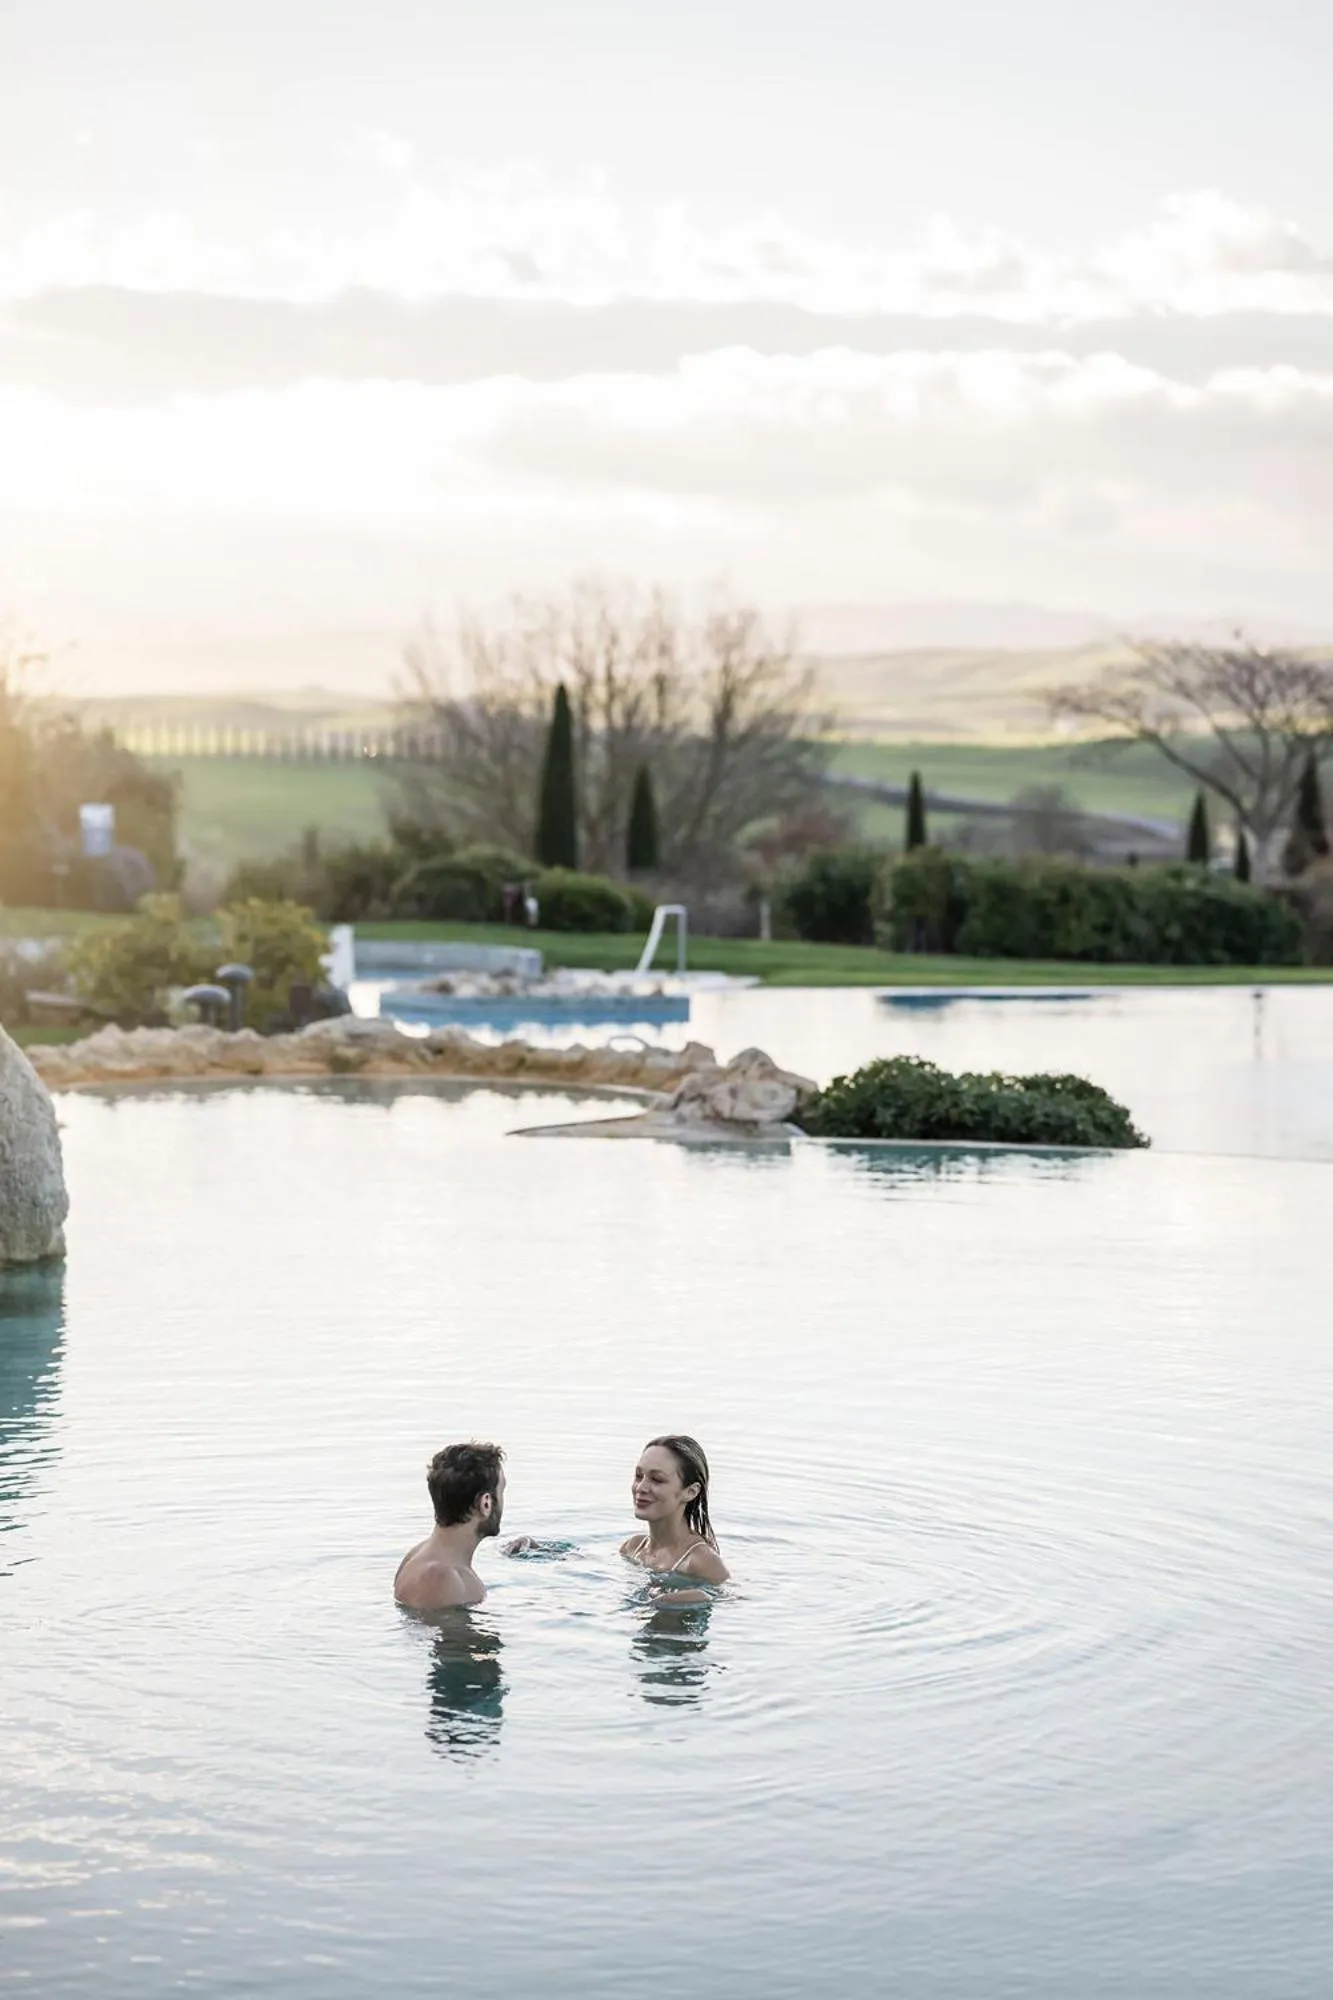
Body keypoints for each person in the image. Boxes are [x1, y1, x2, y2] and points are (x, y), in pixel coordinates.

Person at [394, 1441, 505, 1611]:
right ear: (486, 1504)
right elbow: (450, 1637)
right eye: (502, 1491)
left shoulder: (421, 1555)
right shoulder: (440, 1578)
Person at [620, 1435, 729, 1594]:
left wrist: (691, 1598)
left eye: (657, 1479)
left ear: (690, 1492)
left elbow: (732, 1602)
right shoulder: (632, 1549)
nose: (641, 1488)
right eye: (639, 1476)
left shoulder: (703, 1563)